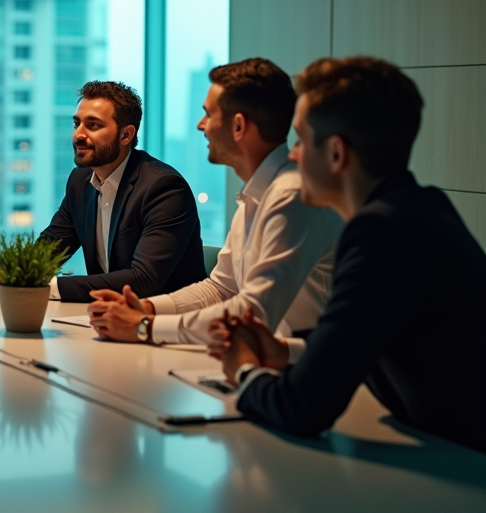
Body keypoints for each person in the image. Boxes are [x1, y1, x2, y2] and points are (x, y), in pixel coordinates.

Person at [207, 57, 486, 453]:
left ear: (336, 154)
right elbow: (362, 343)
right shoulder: (416, 210)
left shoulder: (384, 233)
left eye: (301, 140)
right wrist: (284, 351)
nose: (292, 155)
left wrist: (246, 372)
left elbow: (302, 408)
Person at [86, 59, 342, 347]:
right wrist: (147, 309)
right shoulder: (256, 194)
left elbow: (252, 312)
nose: (200, 125)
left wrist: (145, 327)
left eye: (208, 114)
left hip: (302, 372)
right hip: (263, 362)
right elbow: (220, 289)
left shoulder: (292, 194)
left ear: (238, 126)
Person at [0, 81, 206, 303]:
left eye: (93, 125)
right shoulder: (80, 180)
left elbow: (144, 280)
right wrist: (4, 272)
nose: (78, 135)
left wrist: (44, 287)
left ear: (126, 135)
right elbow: (48, 251)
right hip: (106, 318)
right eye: (77, 124)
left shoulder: (164, 188)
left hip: (166, 325)